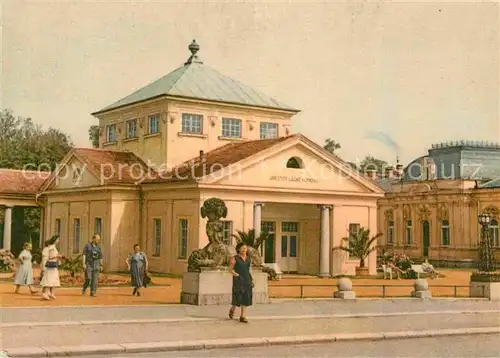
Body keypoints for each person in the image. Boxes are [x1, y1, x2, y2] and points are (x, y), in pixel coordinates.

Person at [228, 243, 253, 323]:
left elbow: (249, 270)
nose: (244, 250)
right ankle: (233, 308)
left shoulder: (249, 259)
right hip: (238, 280)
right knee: (238, 296)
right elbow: (230, 270)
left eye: (245, 248)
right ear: (238, 249)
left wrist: (251, 279)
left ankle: (243, 316)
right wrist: (236, 275)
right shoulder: (234, 258)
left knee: (245, 297)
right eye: (242, 248)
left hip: (247, 279)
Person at [40, 235, 62, 300]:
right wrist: (58, 256)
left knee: (54, 279)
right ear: (55, 240)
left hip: (53, 265)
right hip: (50, 266)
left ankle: (52, 293)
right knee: (49, 279)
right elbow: (51, 256)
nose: (58, 241)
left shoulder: (53, 247)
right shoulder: (52, 247)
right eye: (58, 239)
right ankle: (46, 293)